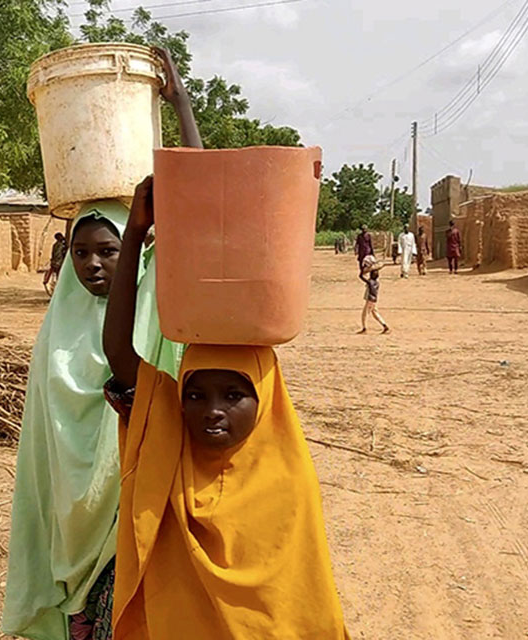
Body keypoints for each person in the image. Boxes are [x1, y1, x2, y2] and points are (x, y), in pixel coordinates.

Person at [0, 47, 196, 640]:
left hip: (135, 504)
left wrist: (181, 105)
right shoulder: (57, 330)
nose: (92, 264)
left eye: (109, 251)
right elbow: (48, 456)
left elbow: (198, 205)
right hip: (72, 527)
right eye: (80, 253)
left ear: (132, 249)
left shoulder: (154, 307)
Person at [101, 176, 350, 639]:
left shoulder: (287, 481)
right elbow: (118, 353)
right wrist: (133, 234)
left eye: (234, 396)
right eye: (195, 395)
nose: (212, 410)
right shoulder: (169, 439)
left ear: (266, 398)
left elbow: (301, 611)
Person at [358, 262, 389, 334]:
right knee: (375, 313)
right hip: (374, 300)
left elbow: (361, 277)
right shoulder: (377, 282)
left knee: (365, 314)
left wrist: (363, 270)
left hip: (370, 299)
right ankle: (384, 325)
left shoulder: (370, 282)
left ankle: (364, 328)